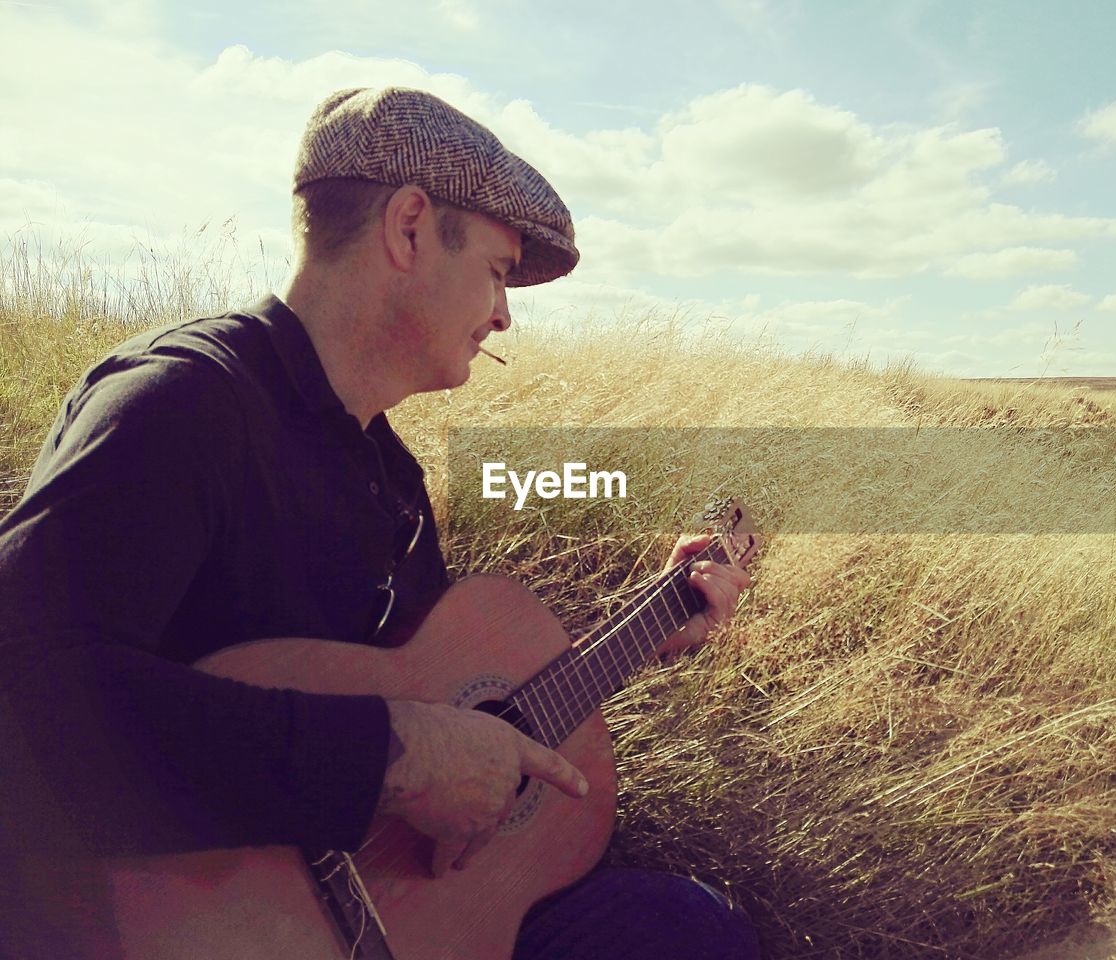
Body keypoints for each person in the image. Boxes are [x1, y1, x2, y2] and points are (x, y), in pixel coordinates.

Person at [0, 87, 757, 958]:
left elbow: (432, 698)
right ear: (407, 228)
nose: (506, 314)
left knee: (688, 923)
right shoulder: (179, 404)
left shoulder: (386, 473)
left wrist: (649, 622)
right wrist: (390, 758)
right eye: (499, 271)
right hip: (165, 929)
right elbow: (22, 698)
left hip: (388, 925)